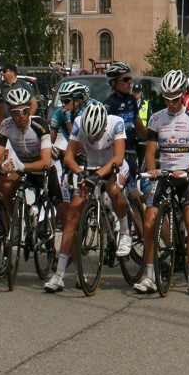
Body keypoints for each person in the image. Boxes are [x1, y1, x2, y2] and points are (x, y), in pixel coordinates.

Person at [45, 102, 131, 292]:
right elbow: (68, 156)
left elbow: (118, 158)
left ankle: (125, 232)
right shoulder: (78, 123)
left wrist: (98, 175)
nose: (93, 138)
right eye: (90, 136)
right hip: (91, 168)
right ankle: (59, 275)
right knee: (71, 217)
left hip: (113, 165)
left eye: (97, 135)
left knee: (114, 190)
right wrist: (80, 173)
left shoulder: (115, 123)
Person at [134, 69, 189, 295]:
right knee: (148, 223)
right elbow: (150, 152)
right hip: (164, 175)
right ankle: (149, 276)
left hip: (185, 176)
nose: (171, 103)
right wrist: (153, 170)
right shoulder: (156, 118)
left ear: (183, 95)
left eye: (175, 99)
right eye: (166, 99)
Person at [0, 88, 54, 219]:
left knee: (61, 206)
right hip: (24, 168)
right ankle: (13, 223)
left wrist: (21, 166)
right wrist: (3, 164)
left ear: (30, 110)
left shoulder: (40, 124)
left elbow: (46, 163)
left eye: (25, 111)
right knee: (5, 187)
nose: (21, 116)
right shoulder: (5, 125)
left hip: (44, 168)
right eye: (16, 112)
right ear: (10, 113)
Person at [104, 62, 147, 171]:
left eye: (130, 79)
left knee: (146, 187)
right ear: (114, 82)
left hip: (131, 153)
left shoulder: (131, 99)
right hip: (115, 156)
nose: (130, 82)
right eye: (125, 79)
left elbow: (140, 129)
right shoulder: (109, 104)